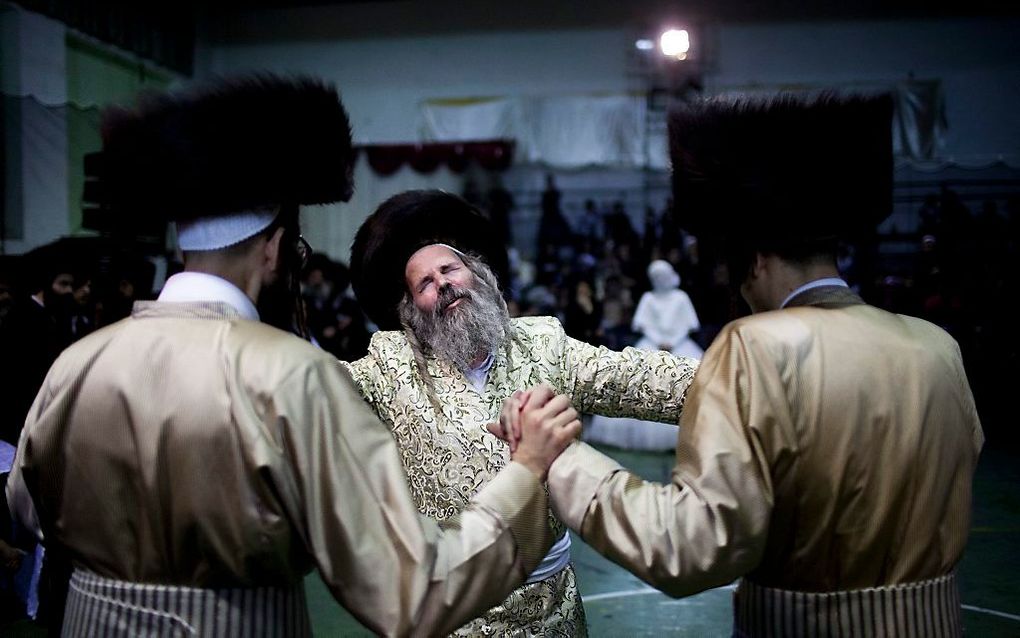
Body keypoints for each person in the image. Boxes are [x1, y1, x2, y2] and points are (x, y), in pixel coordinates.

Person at [5, 75, 581, 637]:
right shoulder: (290, 375)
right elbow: (406, 590)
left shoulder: (76, 363)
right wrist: (526, 470)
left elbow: (27, 509)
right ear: (277, 247)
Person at [503, 93, 983, 636]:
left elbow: (686, 547)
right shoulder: (937, 346)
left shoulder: (755, 347)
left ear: (751, 260)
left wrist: (558, 458)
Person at [343, 189, 699, 636]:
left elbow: (640, 377)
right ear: (412, 311)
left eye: (449, 268)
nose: (443, 283)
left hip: (555, 609)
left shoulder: (543, 342)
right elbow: (314, 391)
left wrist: (749, 380)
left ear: (479, 275)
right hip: (453, 613)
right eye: (425, 283)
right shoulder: (390, 363)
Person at [584, 259, 704, 451]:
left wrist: (672, 342)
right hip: (652, 344)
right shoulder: (649, 298)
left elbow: (688, 325)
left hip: (679, 345)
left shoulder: (680, 297)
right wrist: (658, 341)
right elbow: (643, 324)